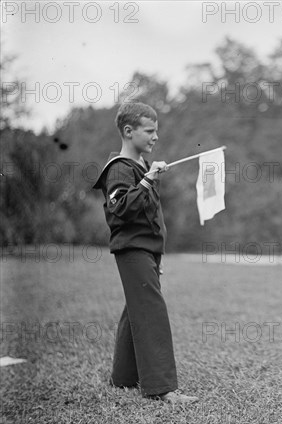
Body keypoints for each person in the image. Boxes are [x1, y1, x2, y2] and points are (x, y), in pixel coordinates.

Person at [93, 101, 198, 404]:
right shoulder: (119, 170)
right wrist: (148, 179)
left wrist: (155, 257)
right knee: (151, 311)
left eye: (156, 131)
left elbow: (149, 218)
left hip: (146, 252)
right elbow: (119, 210)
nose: (155, 137)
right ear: (128, 131)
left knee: (136, 308)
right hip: (132, 250)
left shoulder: (138, 169)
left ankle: (123, 377)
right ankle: (161, 387)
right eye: (149, 131)